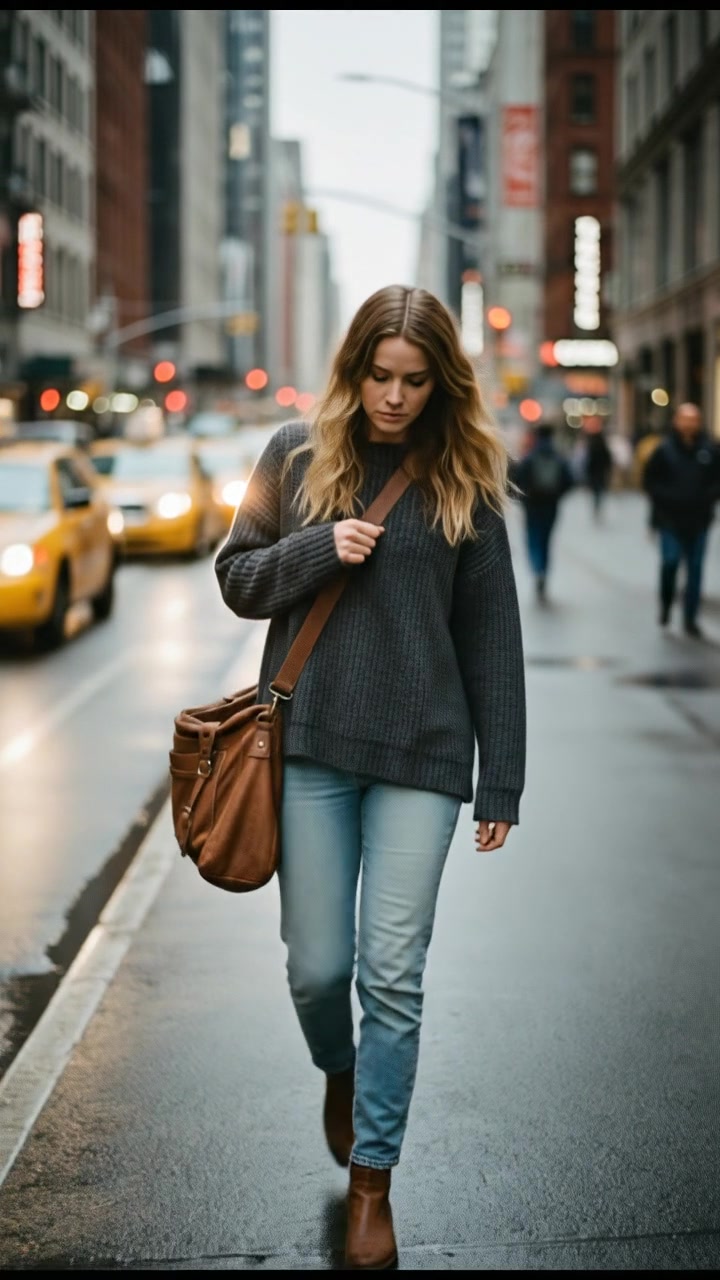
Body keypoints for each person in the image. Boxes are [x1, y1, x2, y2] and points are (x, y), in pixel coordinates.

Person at [215, 284, 527, 1270]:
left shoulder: (465, 479)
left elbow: (492, 638)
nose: (395, 397)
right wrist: (320, 546)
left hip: (422, 758)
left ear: (441, 383)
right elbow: (236, 577)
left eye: (415, 380)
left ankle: (372, 1182)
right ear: (354, 371)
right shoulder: (293, 456)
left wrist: (501, 781)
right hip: (312, 747)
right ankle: (339, 1069)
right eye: (380, 376)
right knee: (317, 968)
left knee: (392, 973)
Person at [643, 401, 720, 638]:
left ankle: (690, 617)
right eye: (685, 419)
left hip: (699, 519)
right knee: (670, 562)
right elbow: (650, 481)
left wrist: (706, 497)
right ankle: (666, 604)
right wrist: (667, 499)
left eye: (694, 419)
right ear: (676, 421)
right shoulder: (664, 450)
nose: (689, 424)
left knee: (695, 569)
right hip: (670, 520)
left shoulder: (709, 450)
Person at [509, 421, 574, 601]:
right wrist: (557, 494)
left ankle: (537, 568)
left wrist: (524, 498)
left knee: (533, 538)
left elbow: (517, 480)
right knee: (546, 540)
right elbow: (570, 480)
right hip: (551, 506)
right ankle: (544, 570)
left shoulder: (530, 457)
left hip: (532, 506)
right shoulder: (558, 457)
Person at [582, 422, 614, 519]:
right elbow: (608, 461)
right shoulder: (603, 448)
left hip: (594, 474)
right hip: (601, 474)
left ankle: (596, 508)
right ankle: (598, 508)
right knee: (599, 492)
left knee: (596, 492)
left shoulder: (592, 448)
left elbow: (588, 462)